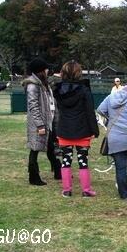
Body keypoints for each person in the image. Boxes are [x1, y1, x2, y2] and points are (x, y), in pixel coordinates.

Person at [53, 61, 99, 198]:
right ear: (78, 73)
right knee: (83, 161)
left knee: (66, 160)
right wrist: (94, 130)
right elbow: (89, 111)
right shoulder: (84, 90)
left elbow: (58, 110)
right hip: (82, 130)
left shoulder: (57, 90)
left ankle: (67, 190)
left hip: (64, 129)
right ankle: (86, 190)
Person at [22, 58, 61, 186]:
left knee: (50, 147)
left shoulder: (44, 84)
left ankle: (57, 170)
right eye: (46, 68)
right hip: (40, 123)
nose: (48, 70)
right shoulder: (33, 86)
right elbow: (33, 106)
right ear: (40, 70)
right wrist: (40, 124)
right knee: (35, 149)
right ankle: (33, 176)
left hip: (48, 121)